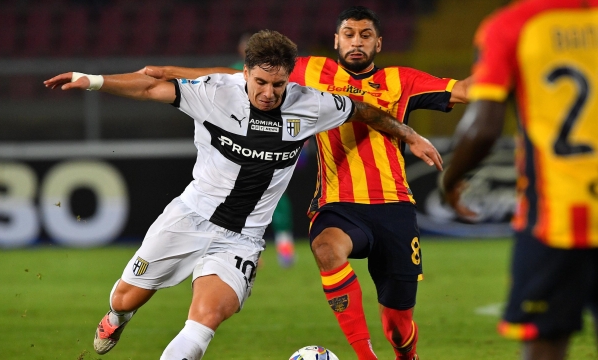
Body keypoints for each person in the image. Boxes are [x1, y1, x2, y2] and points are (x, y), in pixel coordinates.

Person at [44, 29, 443, 359]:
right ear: (245, 73)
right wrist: (92, 80)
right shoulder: (215, 92)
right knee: (126, 297)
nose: (269, 93)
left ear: (290, 79)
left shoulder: (310, 104)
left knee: (203, 324)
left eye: (279, 84)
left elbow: (364, 109)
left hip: (241, 239)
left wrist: (411, 135)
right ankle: (116, 317)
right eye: (260, 82)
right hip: (188, 218)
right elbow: (151, 88)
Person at [141, 6, 469, 360]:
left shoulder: (402, 80)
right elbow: (235, 77)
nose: (356, 42)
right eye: (348, 34)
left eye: (365, 36)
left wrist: (510, 74)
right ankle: (366, 356)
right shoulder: (312, 71)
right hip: (338, 204)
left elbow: (464, 90)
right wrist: (172, 72)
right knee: (326, 249)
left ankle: (406, 355)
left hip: (394, 207)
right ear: (336, 40)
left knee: (398, 326)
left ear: (378, 44)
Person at [440, 1, 598, 359]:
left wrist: (450, 180)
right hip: (560, 216)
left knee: (546, 344)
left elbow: (482, 129)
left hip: (556, 219)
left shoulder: (511, 26)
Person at [233, 32, 298, 268]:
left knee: (277, 195)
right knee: (241, 195)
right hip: (242, 149)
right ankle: (242, 246)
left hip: (272, 145)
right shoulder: (231, 72)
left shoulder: (283, 74)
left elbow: (297, 109)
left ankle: (284, 247)